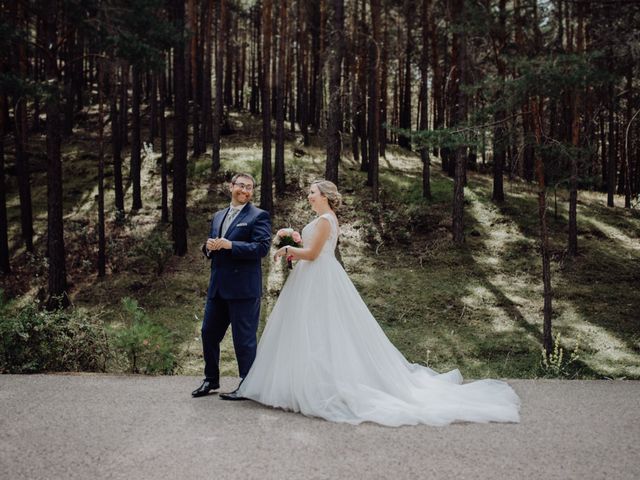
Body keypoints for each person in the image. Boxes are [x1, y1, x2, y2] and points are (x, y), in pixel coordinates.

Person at [237, 180, 521, 426]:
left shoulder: (326, 220)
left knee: (322, 331)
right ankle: (302, 384)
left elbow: (312, 254)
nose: (309, 196)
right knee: (309, 331)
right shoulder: (324, 219)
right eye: (309, 193)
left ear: (324, 195)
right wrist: (295, 241)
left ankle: (318, 387)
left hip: (319, 278)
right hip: (311, 278)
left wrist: (289, 248)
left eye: (312, 192)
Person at [192, 173, 271, 400]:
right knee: (208, 333)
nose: (245, 190)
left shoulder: (259, 216)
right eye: (241, 186)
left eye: (250, 187)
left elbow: (261, 248)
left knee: (243, 340)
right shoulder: (218, 216)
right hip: (218, 287)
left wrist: (230, 245)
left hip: (244, 290)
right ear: (231, 187)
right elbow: (213, 247)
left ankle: (248, 385)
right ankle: (211, 379)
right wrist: (208, 247)